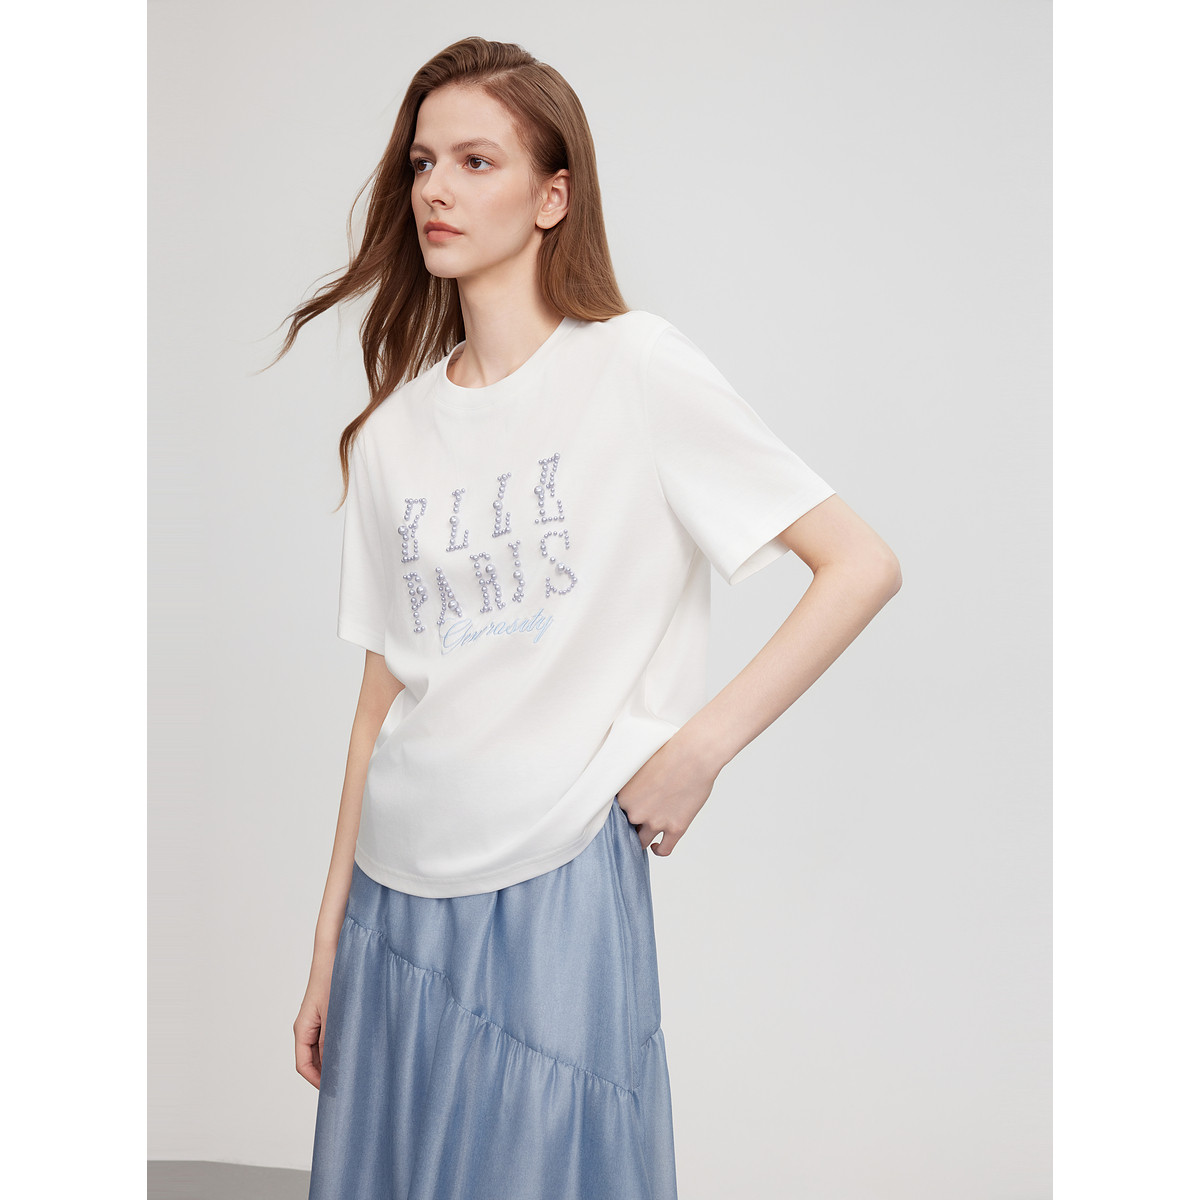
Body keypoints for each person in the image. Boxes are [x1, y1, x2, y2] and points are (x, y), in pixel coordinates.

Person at [269, 34, 901, 1200]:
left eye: (477, 161)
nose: (437, 190)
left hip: (554, 872)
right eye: (422, 163)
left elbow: (859, 564)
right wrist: (325, 948)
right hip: (394, 903)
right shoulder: (393, 435)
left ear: (553, 196)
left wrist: (697, 753)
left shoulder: (635, 368)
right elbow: (377, 709)